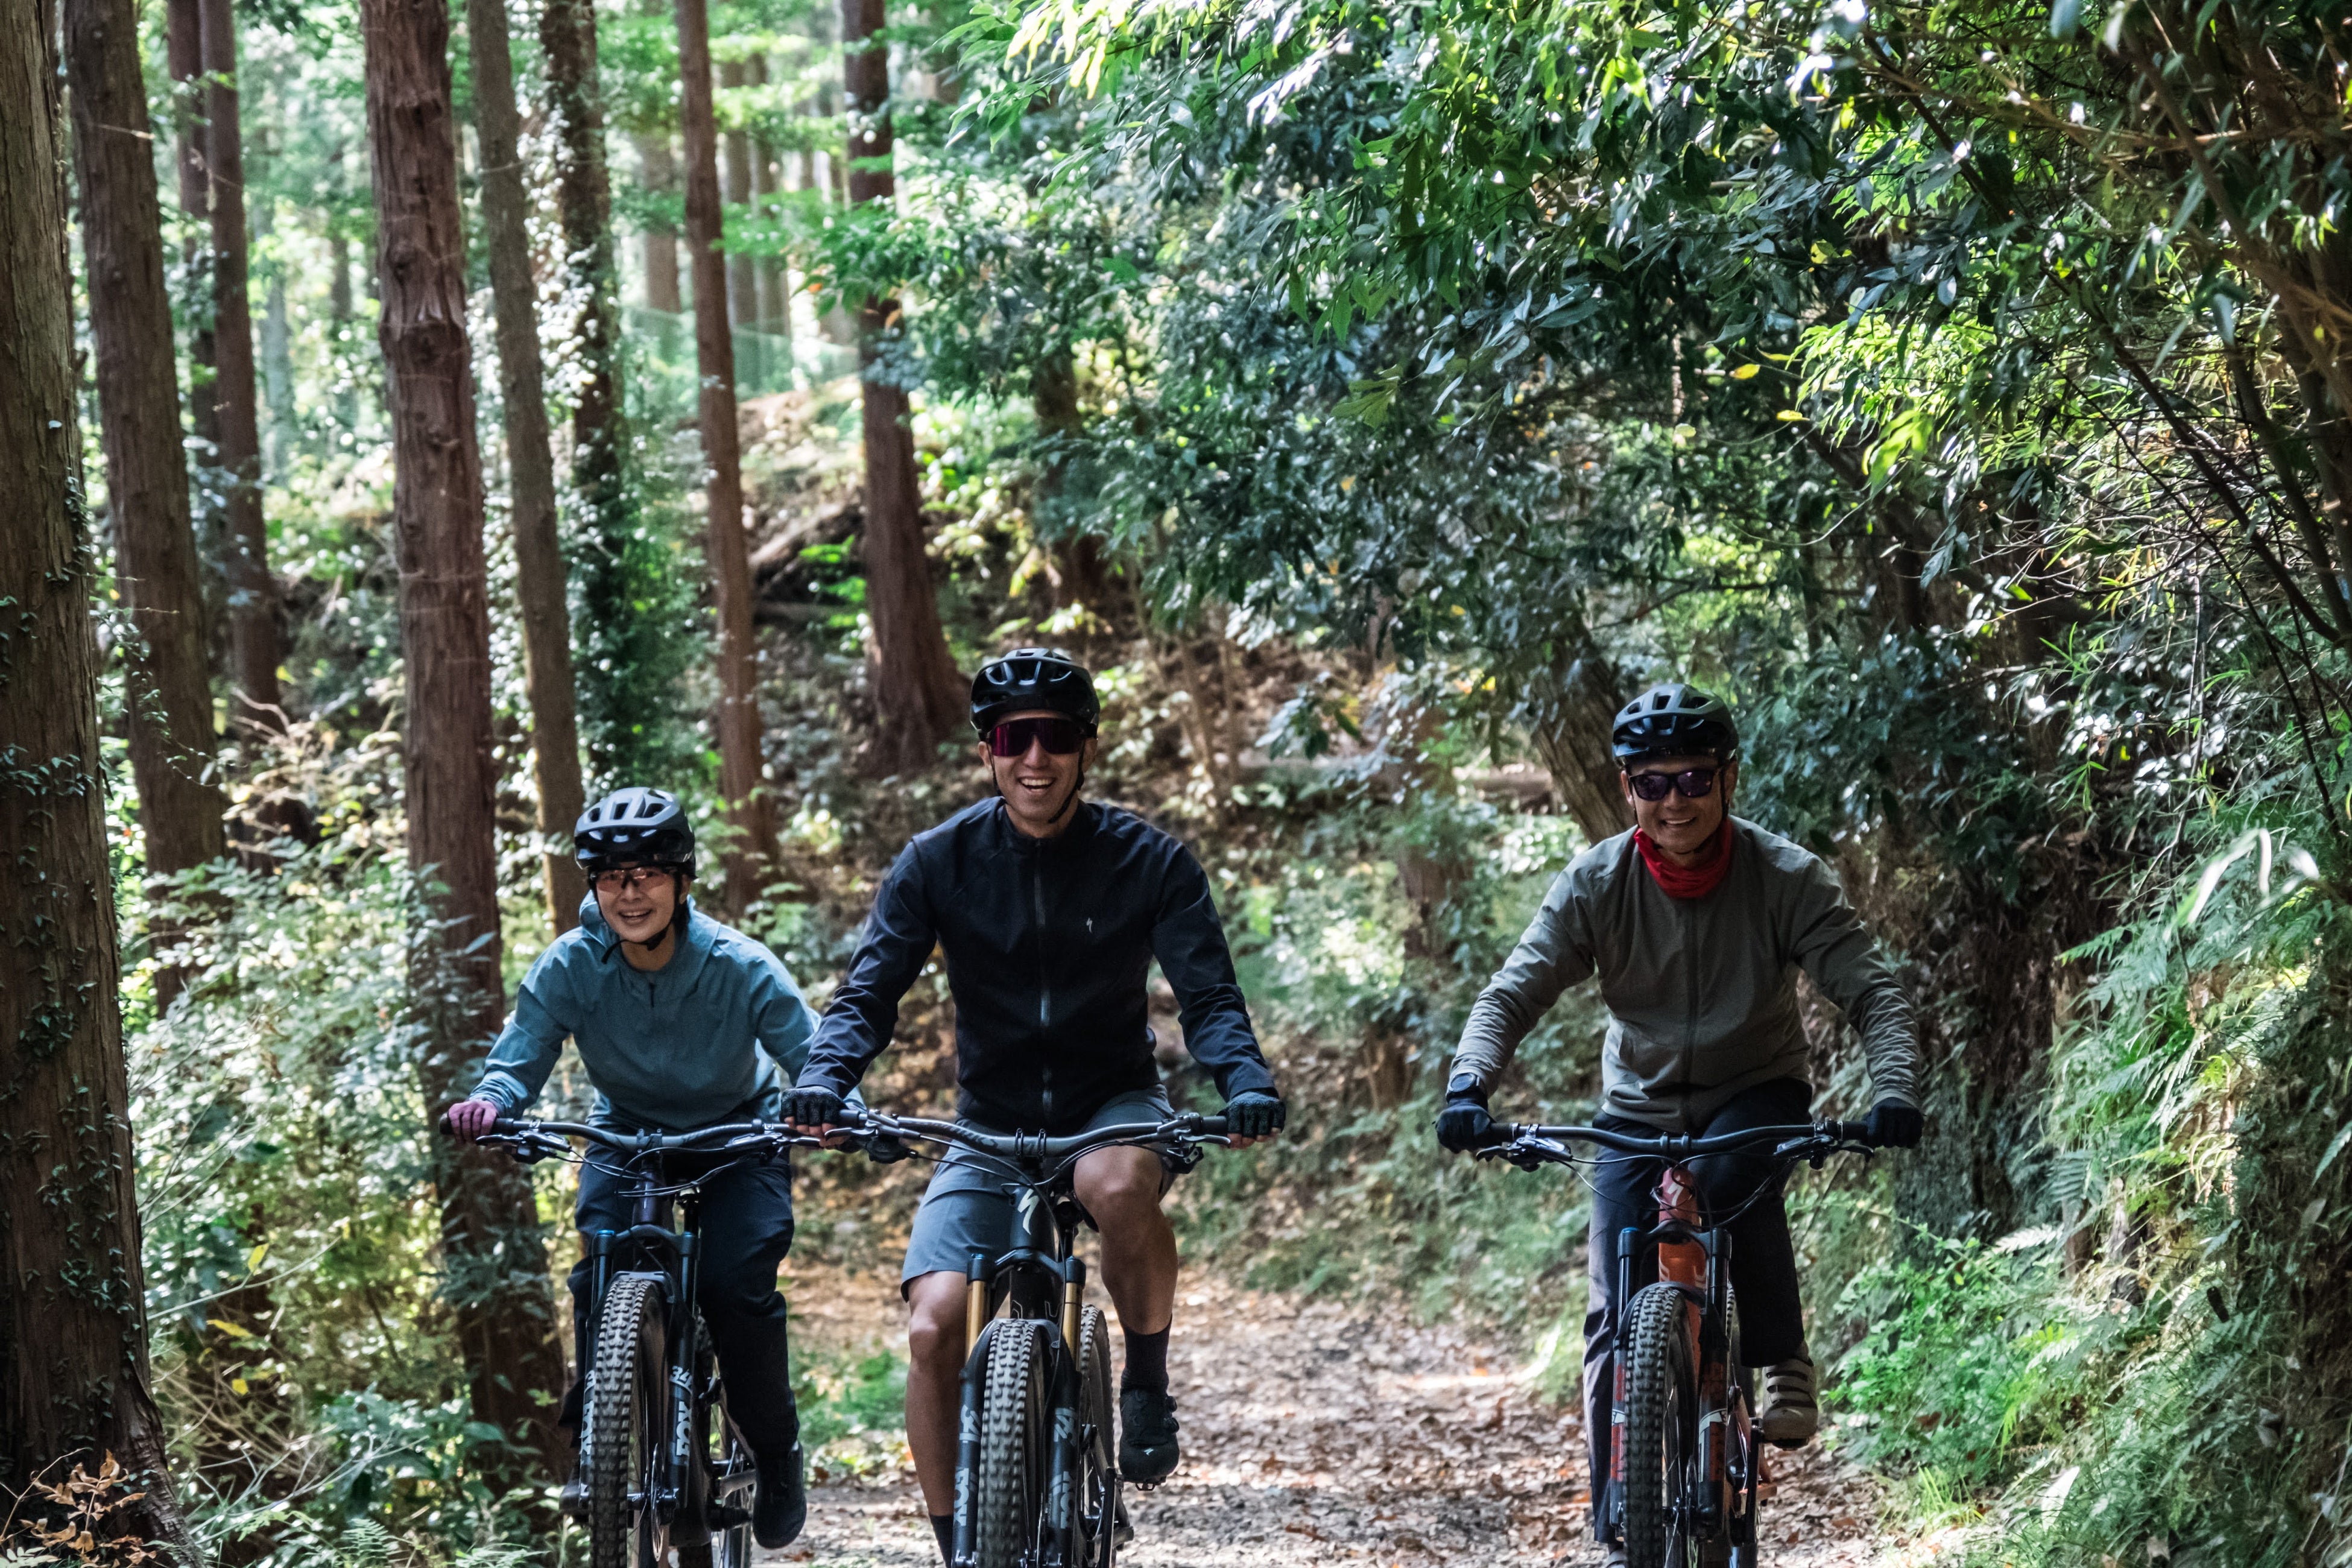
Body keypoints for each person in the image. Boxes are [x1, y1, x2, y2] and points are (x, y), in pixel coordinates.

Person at [780, 648, 1286, 1566]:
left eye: (1055, 737)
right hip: (988, 1124)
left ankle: (1146, 1384)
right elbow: (868, 994)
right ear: (988, 751)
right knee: (934, 1325)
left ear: (1087, 748)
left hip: (1110, 1104)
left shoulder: (1150, 862)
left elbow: (1209, 997)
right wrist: (827, 1076)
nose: (1036, 758)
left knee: (1118, 1186)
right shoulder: (938, 862)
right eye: (1016, 739)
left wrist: (1244, 1080)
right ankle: (957, 1548)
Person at [1435, 683, 1923, 1560]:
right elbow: (1513, 991)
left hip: (1755, 1089)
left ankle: (1781, 1353)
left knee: (1737, 1180)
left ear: (1729, 778)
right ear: (1627, 788)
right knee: (1611, 1311)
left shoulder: (1786, 878)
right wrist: (1470, 1086)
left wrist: (1894, 1092)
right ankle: (1619, 1518)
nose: (1675, 802)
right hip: (1638, 1105)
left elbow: (1873, 993)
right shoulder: (1596, 883)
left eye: (1695, 779)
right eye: (1653, 784)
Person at [443, 786, 818, 1550]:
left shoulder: (740, 964)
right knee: (600, 1275)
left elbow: (815, 1057)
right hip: (627, 1136)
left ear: (682, 880)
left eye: (647, 873)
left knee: (733, 1288)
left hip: (736, 1136)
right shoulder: (572, 963)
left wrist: (828, 1107)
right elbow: (521, 1052)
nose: (630, 893)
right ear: (594, 885)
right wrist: (492, 1100)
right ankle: (608, 1432)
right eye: (612, 877)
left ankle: (776, 1453)